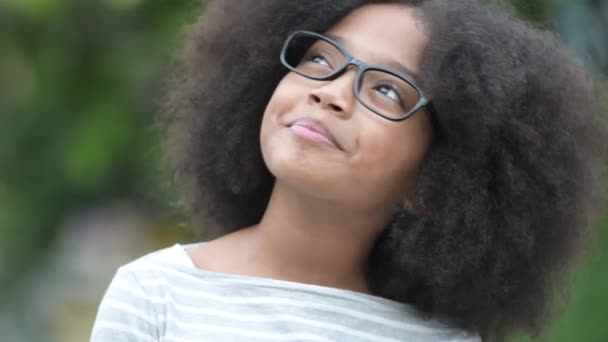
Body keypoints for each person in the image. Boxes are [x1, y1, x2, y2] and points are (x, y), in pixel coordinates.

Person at [91, 0, 608, 341]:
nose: (332, 92)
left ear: (432, 183)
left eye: (386, 89)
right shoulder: (156, 293)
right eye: (319, 59)